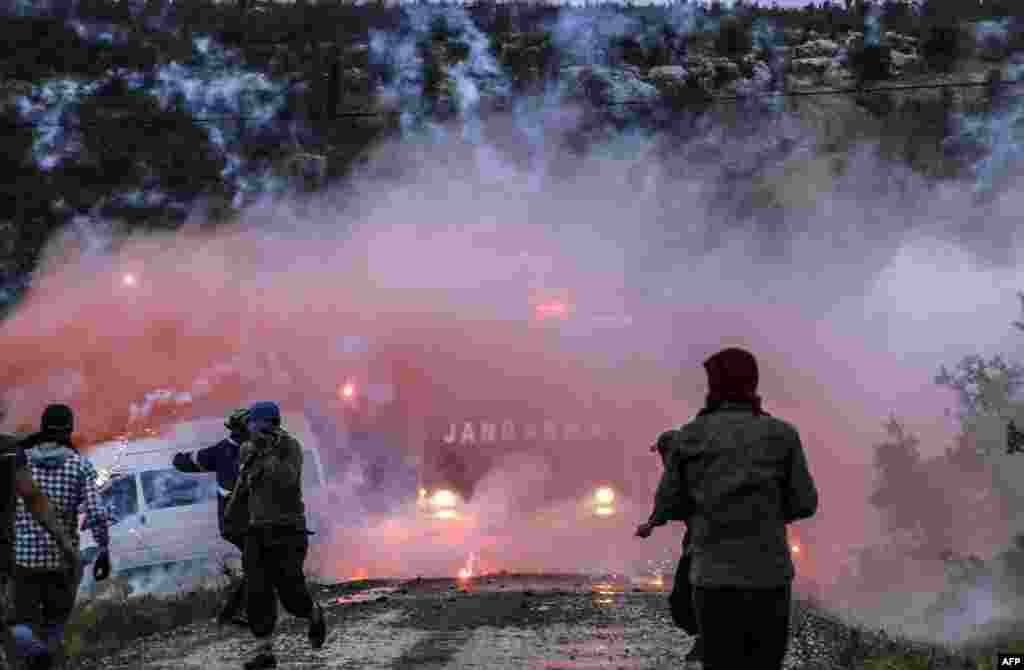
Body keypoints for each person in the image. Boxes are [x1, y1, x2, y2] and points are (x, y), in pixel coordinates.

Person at [636, 348, 819, 670]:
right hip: (769, 575)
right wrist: (766, 514)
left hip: (712, 578)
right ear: (754, 382)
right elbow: (805, 503)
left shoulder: (690, 436)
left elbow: (670, 501)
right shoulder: (782, 435)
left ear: (713, 385)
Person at [224, 402, 326, 670]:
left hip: (288, 529)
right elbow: (244, 483)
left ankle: (314, 613)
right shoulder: (248, 448)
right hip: (258, 530)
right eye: (253, 426)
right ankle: (264, 651)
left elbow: (288, 479)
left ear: (274, 423)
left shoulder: (290, 447)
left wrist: (268, 454)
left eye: (261, 424)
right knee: (257, 591)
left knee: (291, 593)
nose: (256, 430)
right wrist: (232, 512)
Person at [11, 404, 111, 670]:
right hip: (63, 561)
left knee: (24, 624)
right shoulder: (80, 466)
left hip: (23, 561)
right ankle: (46, 655)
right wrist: (103, 549)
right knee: (55, 625)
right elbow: (97, 515)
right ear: (70, 430)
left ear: (42, 428)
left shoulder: (20, 462)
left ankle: (31, 651)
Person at [173, 408, 250, 626]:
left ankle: (233, 612)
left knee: (257, 564)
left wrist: (178, 459)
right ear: (242, 428)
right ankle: (233, 612)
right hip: (237, 524)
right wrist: (178, 459)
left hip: (236, 524)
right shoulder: (232, 451)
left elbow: (186, 461)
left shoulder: (224, 450)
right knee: (259, 563)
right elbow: (186, 461)